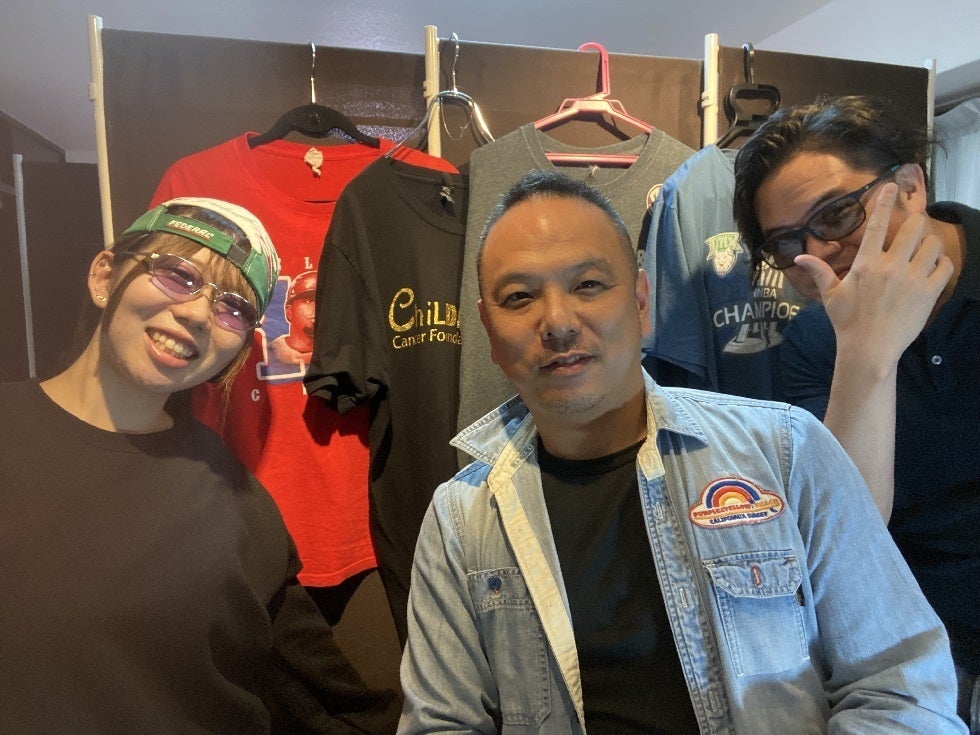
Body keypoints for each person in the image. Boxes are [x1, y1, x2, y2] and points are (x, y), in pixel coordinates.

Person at [396, 170, 965, 734]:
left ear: (642, 302)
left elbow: (904, 688)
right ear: (488, 331)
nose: (559, 323)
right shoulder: (461, 520)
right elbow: (440, 723)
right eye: (519, 297)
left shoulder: (785, 451)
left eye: (588, 285)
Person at [0, 197, 398, 734]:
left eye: (232, 307)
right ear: (104, 276)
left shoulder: (237, 505)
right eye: (176, 274)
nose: (195, 314)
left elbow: (331, 704)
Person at [732, 94, 979, 731]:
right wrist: (868, 350)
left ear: (911, 186)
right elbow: (852, 529)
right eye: (788, 241)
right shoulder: (815, 342)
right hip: (917, 656)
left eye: (838, 213)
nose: (818, 252)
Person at [268, 269, 317, 369]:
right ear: (289, 311)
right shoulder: (271, 354)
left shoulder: (340, 352)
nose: (317, 307)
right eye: (308, 301)